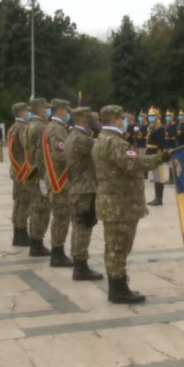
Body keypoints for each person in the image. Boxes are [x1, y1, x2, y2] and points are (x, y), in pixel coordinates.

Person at [92, 105, 171, 303]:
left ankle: (117, 286)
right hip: (121, 204)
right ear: (114, 120)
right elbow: (134, 164)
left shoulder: (101, 140)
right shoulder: (116, 143)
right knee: (119, 247)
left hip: (111, 202)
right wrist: (160, 158)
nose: (125, 121)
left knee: (114, 247)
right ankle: (118, 290)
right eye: (122, 118)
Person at [64, 107, 103, 281]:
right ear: (84, 120)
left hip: (76, 187)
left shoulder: (72, 136)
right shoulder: (82, 139)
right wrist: (101, 130)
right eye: (90, 118)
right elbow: (100, 151)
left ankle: (78, 262)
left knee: (78, 226)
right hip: (85, 189)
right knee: (83, 227)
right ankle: (80, 266)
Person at [43, 99, 75, 268]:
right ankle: (57, 253)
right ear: (59, 111)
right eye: (66, 110)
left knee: (62, 216)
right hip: (59, 179)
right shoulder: (56, 129)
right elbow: (60, 155)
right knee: (61, 216)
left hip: (59, 177)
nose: (68, 113)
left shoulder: (57, 128)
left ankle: (58, 250)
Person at [24, 98, 53, 257]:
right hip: (40, 173)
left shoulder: (30, 125)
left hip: (33, 171)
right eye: (46, 108)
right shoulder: (41, 127)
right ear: (40, 109)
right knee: (41, 209)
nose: (47, 111)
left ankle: (35, 242)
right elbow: (44, 154)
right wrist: (45, 176)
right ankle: (37, 243)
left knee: (36, 208)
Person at [8, 102, 32, 247]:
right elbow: (27, 146)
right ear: (21, 112)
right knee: (24, 203)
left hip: (16, 170)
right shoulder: (22, 128)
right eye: (27, 111)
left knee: (18, 202)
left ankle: (17, 233)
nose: (28, 113)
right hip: (23, 170)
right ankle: (22, 234)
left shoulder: (12, 127)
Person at [146, 106, 166, 205]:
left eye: (153, 116)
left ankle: (159, 198)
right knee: (155, 176)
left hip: (156, 153)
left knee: (159, 176)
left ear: (158, 116)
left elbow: (161, 142)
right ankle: (156, 197)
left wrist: (160, 153)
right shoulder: (151, 126)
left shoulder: (159, 127)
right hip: (151, 152)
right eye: (149, 116)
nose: (151, 117)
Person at [164, 109, 177, 184]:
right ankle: (170, 178)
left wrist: (167, 133)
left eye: (169, 116)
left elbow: (173, 135)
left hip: (171, 145)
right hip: (167, 144)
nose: (167, 117)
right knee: (169, 163)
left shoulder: (173, 125)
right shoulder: (167, 125)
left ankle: (172, 178)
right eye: (166, 116)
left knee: (171, 163)